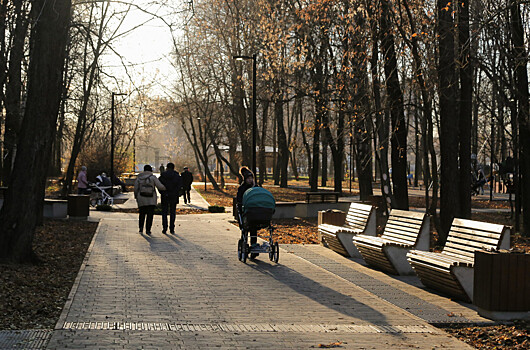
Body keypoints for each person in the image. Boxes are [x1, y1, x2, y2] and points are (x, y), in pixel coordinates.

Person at [134, 164, 166, 235]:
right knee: (150, 214)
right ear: (150, 170)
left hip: (141, 198)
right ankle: (148, 229)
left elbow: (136, 188)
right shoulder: (153, 177)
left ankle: (141, 227)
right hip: (151, 198)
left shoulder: (139, 177)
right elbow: (160, 186)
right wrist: (166, 188)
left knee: (142, 213)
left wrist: (136, 196)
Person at [236, 166, 258, 256]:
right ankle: (244, 245)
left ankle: (253, 246)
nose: (250, 180)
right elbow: (239, 199)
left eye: (251, 178)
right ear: (245, 179)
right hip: (245, 212)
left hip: (254, 212)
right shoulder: (242, 188)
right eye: (248, 178)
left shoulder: (255, 187)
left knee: (253, 230)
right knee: (245, 230)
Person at [158, 163, 182, 234]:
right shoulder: (177, 176)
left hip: (165, 195)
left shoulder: (163, 176)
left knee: (164, 212)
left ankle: (164, 228)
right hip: (174, 196)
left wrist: (162, 192)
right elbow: (180, 186)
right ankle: (172, 228)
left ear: (167, 168)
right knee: (172, 212)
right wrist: (177, 193)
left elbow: (159, 185)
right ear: (173, 168)